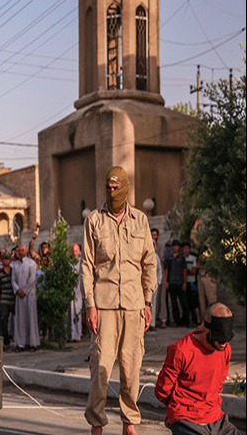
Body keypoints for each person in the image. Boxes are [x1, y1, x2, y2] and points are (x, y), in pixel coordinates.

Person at [81, 166, 157, 435]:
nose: (112, 192)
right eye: (108, 188)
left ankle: (129, 423)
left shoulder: (140, 220)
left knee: (132, 367)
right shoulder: (94, 220)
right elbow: (87, 265)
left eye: (117, 188)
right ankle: (97, 424)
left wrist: (147, 301)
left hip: (135, 304)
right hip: (104, 306)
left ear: (125, 188)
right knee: (100, 370)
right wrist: (90, 304)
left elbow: (149, 262)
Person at [155, 303, 239, 435]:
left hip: (216, 419)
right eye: (219, 339)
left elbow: (218, 384)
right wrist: (176, 410)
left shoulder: (225, 350)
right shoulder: (181, 350)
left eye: (226, 339)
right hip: (186, 420)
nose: (223, 344)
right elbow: (162, 390)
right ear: (206, 328)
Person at [12, 244, 40, 352]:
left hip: (29, 295)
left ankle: (33, 343)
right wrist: (17, 290)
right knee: (20, 320)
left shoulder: (31, 263)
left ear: (26, 251)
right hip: (19, 295)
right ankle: (21, 343)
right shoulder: (15, 265)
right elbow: (13, 280)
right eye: (19, 251)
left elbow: (32, 279)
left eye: (22, 250)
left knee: (31, 319)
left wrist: (25, 291)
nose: (20, 252)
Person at [165, 240, 189, 327]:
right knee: (174, 304)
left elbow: (184, 270)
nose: (176, 248)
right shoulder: (169, 257)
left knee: (183, 303)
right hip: (172, 282)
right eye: (174, 246)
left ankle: (186, 321)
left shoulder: (181, 258)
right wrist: (166, 281)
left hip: (180, 282)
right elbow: (166, 270)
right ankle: (177, 321)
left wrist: (185, 282)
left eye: (177, 246)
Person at [0, 252, 15, 350]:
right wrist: (1, 297)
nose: (6, 261)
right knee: (3, 323)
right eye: (5, 259)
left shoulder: (13, 272)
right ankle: (6, 343)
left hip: (14, 300)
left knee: (18, 321)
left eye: (8, 259)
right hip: (4, 301)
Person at [182, 242, 200, 325]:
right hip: (184, 283)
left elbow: (193, 271)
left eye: (187, 248)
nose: (185, 250)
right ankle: (188, 321)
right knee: (186, 302)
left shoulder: (193, 258)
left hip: (192, 282)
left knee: (194, 302)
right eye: (184, 248)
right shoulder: (182, 258)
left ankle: (197, 319)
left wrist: (186, 271)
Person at [197, 253, 217, 322]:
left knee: (212, 301)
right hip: (201, 274)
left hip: (209, 274)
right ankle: (205, 321)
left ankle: (214, 321)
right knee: (201, 301)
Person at [70, 243, 83, 342]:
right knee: (71, 312)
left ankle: (78, 334)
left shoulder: (82, 262)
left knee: (78, 312)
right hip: (71, 290)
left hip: (79, 289)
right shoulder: (70, 262)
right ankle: (72, 334)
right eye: (73, 251)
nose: (74, 253)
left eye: (76, 250)